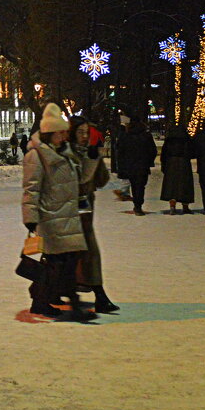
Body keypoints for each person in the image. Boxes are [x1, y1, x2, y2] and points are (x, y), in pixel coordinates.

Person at [22, 104, 94, 323]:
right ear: (50, 133)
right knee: (58, 263)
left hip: (68, 216)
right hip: (51, 217)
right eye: (61, 132)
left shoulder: (65, 153)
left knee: (64, 262)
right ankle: (56, 301)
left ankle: (44, 298)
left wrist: (87, 156)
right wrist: (31, 218)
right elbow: (31, 188)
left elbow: (80, 180)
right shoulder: (37, 156)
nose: (65, 135)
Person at [69, 115, 117, 313]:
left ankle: (95, 295)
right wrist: (91, 160)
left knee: (83, 252)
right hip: (68, 209)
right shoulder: (66, 153)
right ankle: (97, 295)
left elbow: (101, 180)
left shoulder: (89, 152)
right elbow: (78, 180)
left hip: (85, 209)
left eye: (87, 133)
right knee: (72, 253)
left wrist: (97, 159)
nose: (84, 136)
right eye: (80, 132)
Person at [115, 114, 157, 215]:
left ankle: (137, 205)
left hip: (129, 165)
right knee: (140, 186)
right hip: (142, 165)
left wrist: (121, 165)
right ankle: (138, 205)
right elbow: (153, 151)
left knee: (134, 185)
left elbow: (120, 151)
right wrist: (148, 161)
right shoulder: (146, 135)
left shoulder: (125, 136)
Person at [160, 126, 195, 215]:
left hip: (171, 163)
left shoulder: (169, 141)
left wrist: (164, 166)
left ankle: (172, 205)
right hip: (184, 163)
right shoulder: (187, 140)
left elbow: (164, 154)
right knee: (185, 185)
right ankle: (185, 206)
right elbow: (192, 152)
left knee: (172, 186)